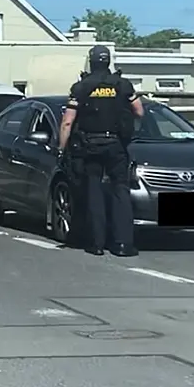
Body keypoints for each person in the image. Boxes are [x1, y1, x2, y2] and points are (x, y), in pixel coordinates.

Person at [58, 45, 144, 257]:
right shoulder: (122, 85)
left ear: (91, 61)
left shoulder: (81, 87)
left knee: (94, 192)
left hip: (90, 145)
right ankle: (123, 244)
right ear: (108, 61)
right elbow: (139, 111)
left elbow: (67, 122)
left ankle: (96, 243)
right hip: (116, 145)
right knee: (120, 191)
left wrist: (62, 149)